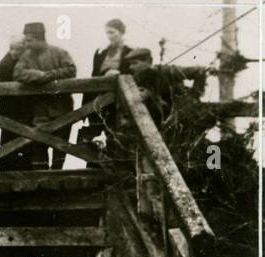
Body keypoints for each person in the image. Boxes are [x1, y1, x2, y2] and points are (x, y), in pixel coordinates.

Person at [13, 21, 77, 169]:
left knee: (60, 146)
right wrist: (36, 75)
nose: (27, 44)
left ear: (40, 38)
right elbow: (17, 73)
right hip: (40, 108)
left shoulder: (59, 53)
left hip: (62, 107)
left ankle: (57, 183)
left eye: (30, 40)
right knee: (39, 144)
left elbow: (70, 70)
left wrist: (48, 76)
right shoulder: (26, 57)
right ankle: (41, 185)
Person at [125, 48, 209, 125]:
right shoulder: (137, 78)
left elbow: (200, 71)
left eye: (135, 63)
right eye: (129, 64)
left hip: (179, 118)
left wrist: (192, 97)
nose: (130, 67)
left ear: (148, 61)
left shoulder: (168, 71)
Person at [82, 19, 131, 148]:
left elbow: (133, 73)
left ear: (121, 32)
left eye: (112, 32)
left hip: (119, 99)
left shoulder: (129, 51)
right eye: (107, 33)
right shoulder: (101, 52)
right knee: (95, 133)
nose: (109, 36)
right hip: (100, 97)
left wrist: (118, 73)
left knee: (116, 134)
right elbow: (94, 75)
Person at [0, 35, 32, 170]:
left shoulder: (29, 60)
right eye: (12, 49)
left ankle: (26, 172)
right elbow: (0, 86)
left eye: (18, 49)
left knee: (27, 140)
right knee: (8, 142)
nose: (14, 52)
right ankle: (5, 172)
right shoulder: (5, 63)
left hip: (26, 108)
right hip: (10, 108)